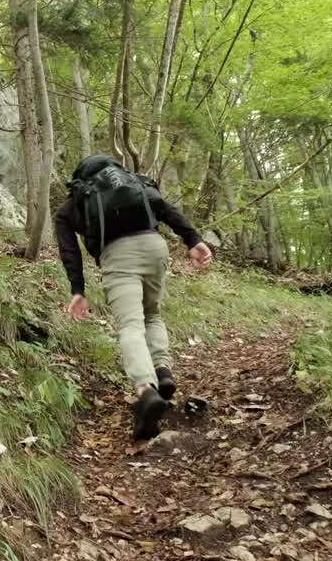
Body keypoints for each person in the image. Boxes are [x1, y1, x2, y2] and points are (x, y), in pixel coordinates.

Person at [54, 153, 213, 441]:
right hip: (154, 247)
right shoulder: (133, 183)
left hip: (118, 256)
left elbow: (70, 251)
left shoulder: (75, 202)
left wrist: (78, 290)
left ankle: (146, 392)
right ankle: (163, 370)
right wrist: (194, 240)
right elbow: (165, 208)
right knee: (152, 314)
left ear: (81, 177)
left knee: (130, 325)